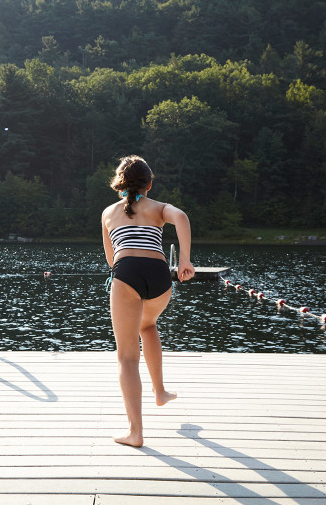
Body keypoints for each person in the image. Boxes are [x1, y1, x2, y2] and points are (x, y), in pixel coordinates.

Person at [101, 155, 195, 447]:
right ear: (149, 184)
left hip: (126, 272)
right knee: (149, 324)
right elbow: (181, 217)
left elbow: (110, 259)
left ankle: (135, 432)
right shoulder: (158, 208)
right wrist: (184, 261)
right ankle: (160, 392)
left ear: (119, 184)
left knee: (127, 357)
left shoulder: (108, 213)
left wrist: (123, 279)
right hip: (159, 276)